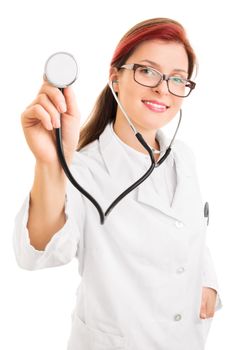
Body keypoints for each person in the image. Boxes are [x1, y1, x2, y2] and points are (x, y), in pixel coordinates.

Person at [13, 17, 222, 350]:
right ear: (116, 78)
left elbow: (190, 228)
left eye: (177, 79)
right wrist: (49, 164)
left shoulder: (183, 156)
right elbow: (37, 254)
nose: (162, 88)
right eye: (148, 71)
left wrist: (207, 280)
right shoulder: (83, 168)